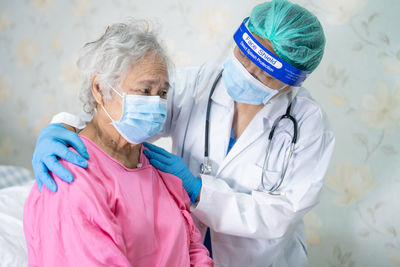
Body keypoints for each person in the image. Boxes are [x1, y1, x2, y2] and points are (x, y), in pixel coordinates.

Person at [30, 0, 335, 266]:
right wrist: (62, 126)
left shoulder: (306, 126)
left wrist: (198, 189)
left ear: (292, 80)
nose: (246, 72)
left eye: (263, 73)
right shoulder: (198, 83)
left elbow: (282, 214)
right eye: (243, 57)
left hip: (256, 257)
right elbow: (122, 109)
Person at [23, 20, 213, 267]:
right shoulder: (69, 175)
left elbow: (193, 250)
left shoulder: (158, 168)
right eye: (145, 91)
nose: (156, 103)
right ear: (100, 88)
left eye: (163, 93)